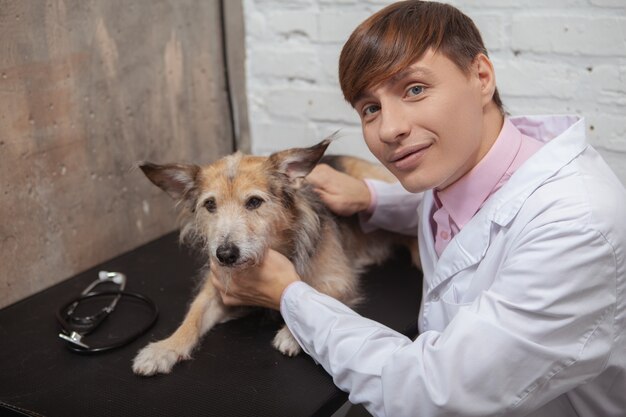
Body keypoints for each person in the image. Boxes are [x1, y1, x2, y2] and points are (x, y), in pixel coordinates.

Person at [212, 1, 626, 416]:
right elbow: (481, 215)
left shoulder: (576, 226)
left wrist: (289, 295)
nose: (390, 129)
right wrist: (370, 197)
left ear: (481, 77)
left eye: (415, 89)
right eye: (370, 108)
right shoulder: (465, 161)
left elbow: (433, 393)